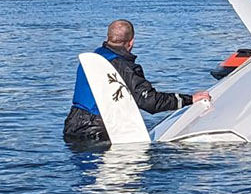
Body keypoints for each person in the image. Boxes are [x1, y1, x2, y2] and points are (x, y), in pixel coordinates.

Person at [63, 19, 209, 142]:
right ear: (131, 42)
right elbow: (148, 101)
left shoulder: (95, 57)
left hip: (73, 124)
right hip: (97, 128)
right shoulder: (122, 65)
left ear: (108, 37)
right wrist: (189, 99)